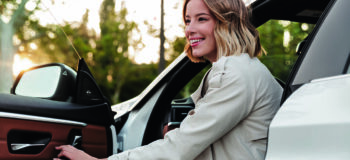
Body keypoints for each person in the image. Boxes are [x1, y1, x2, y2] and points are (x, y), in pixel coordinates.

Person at [54, 0, 283, 159]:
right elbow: (194, 122)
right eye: (187, 20)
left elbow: (179, 149)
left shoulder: (234, 73)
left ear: (227, 22)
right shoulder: (236, 69)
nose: (189, 29)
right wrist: (174, 128)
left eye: (201, 19)